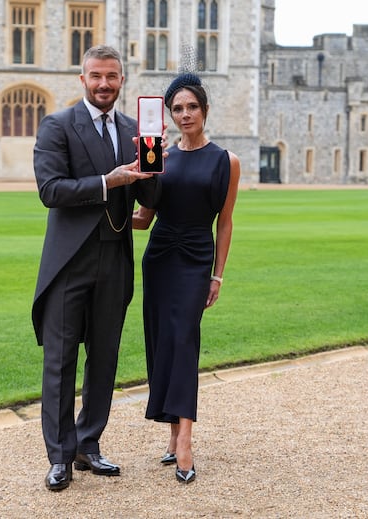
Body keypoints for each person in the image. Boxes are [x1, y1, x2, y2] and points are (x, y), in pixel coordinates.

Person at [31, 45, 163, 492]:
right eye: (96, 76)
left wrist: (156, 159)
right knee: (61, 360)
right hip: (70, 261)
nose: (104, 84)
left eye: (112, 76)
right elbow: (50, 189)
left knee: (104, 358)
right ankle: (60, 456)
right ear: (82, 79)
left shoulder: (133, 128)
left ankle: (89, 445)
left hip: (115, 259)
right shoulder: (58, 125)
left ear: (122, 81)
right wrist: (111, 181)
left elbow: (152, 199)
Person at [133, 72, 240, 484]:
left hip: (196, 258)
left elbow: (225, 224)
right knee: (163, 341)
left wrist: (218, 275)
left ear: (205, 110)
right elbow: (144, 219)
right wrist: (118, 190)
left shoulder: (226, 161)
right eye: (176, 108)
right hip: (159, 256)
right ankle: (173, 432)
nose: (184, 114)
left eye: (191, 106)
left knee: (184, 340)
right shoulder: (160, 157)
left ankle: (186, 440)